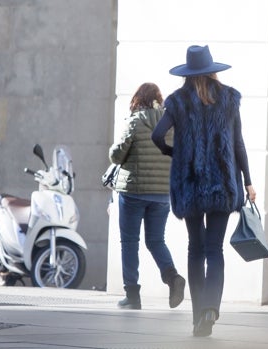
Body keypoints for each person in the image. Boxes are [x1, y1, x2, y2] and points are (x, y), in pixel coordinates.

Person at [152, 45, 256, 337]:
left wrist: (174, 152)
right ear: (212, 70)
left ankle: (199, 318)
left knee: (195, 249)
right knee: (215, 250)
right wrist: (248, 181)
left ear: (187, 72)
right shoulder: (228, 99)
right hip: (223, 183)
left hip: (190, 183)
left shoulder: (178, 101)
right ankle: (211, 307)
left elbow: (157, 135)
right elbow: (238, 145)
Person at [109, 82, 186, 310]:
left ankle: (132, 296)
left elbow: (117, 155)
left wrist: (115, 152)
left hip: (133, 191)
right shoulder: (171, 124)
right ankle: (173, 277)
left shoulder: (135, 120)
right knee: (156, 240)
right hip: (162, 193)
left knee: (130, 242)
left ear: (138, 99)